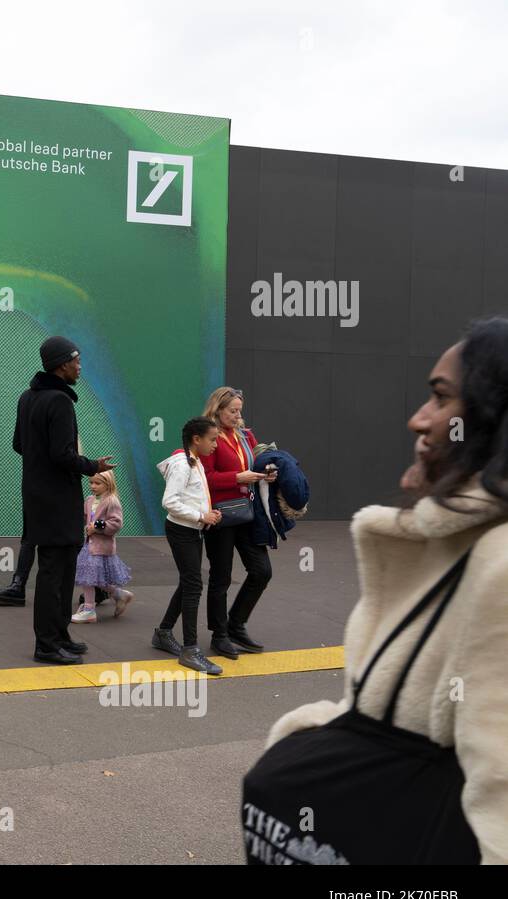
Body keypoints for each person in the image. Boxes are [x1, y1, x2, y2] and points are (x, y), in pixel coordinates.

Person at [254, 316, 508, 863]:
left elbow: (500, 797)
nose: (419, 419)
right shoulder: (451, 547)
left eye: (441, 399)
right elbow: (384, 718)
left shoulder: (500, 563)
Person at [13, 335, 114, 664]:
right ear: (61, 364)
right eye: (76, 361)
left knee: (61, 568)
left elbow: (19, 445)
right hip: (57, 501)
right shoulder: (59, 401)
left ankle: (60, 636)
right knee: (54, 572)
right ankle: (46, 645)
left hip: (38, 497)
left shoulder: (28, 397)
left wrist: (40, 462)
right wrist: (93, 466)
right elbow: (62, 455)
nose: (80, 367)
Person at [200, 386, 275, 658]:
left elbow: (258, 463)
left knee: (262, 571)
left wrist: (267, 474)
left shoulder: (245, 435)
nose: (237, 415)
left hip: (247, 512)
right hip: (221, 514)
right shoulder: (210, 437)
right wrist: (237, 478)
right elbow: (205, 478)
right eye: (232, 410)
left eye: (239, 410)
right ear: (218, 410)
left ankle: (236, 624)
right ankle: (219, 635)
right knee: (221, 577)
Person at [154, 417, 225, 674]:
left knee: (188, 582)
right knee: (194, 585)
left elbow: (189, 498)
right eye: (213, 439)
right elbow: (169, 501)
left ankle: (163, 632)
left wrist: (208, 513)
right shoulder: (184, 465)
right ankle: (190, 650)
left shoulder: (194, 462)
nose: (216, 444)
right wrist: (200, 516)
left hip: (191, 530)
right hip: (182, 531)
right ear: (197, 439)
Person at [71, 470, 132, 622]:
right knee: (95, 578)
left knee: (87, 578)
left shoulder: (112, 501)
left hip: (101, 546)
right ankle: (119, 595)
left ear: (108, 484)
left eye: (97, 483)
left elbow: (116, 523)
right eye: (91, 482)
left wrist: (96, 526)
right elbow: (85, 517)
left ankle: (89, 609)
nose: (93, 486)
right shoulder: (90, 500)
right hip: (90, 545)